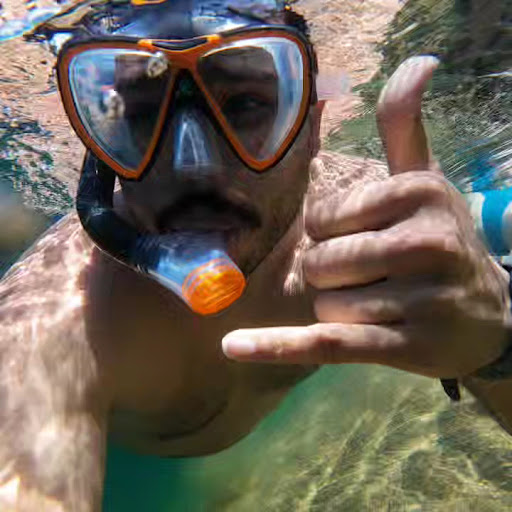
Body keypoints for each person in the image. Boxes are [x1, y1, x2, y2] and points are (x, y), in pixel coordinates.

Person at [1, 0, 511, 509]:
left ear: (311, 127)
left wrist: (497, 347)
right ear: (102, 144)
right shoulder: (57, 314)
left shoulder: (377, 222)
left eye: (244, 104)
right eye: (141, 113)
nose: (194, 168)